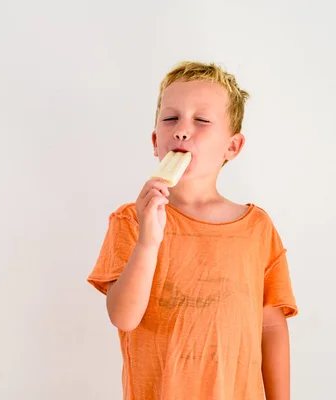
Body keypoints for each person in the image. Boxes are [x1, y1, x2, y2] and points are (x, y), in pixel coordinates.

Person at [87, 61, 298, 400]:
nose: (182, 130)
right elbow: (124, 318)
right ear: (156, 141)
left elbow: (271, 327)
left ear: (232, 146)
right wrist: (148, 242)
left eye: (201, 120)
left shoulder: (257, 229)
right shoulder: (131, 220)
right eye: (171, 119)